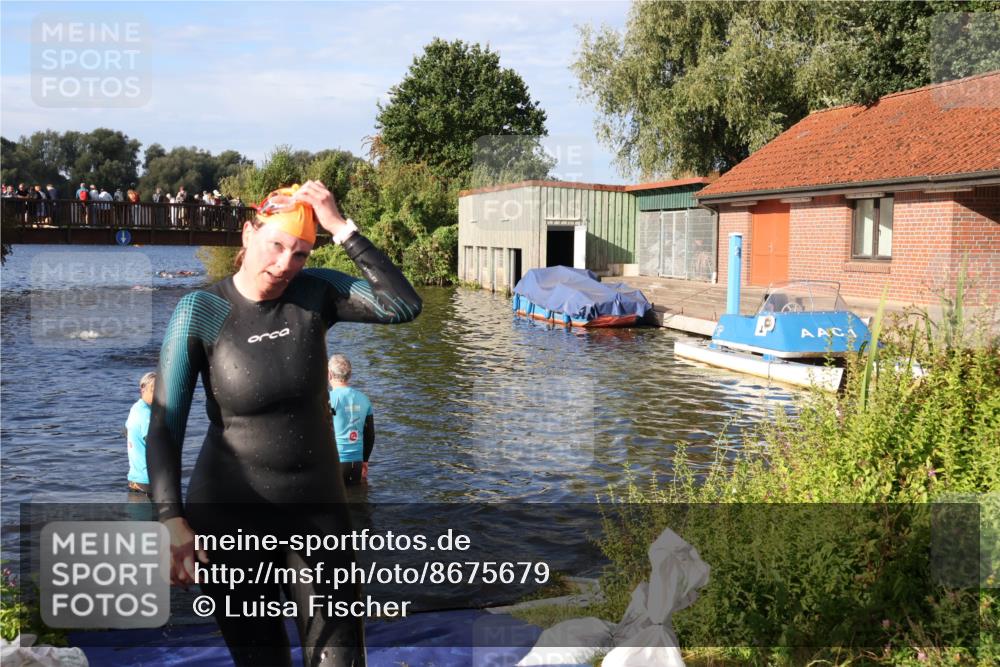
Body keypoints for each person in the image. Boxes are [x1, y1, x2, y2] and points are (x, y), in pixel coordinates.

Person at [147, 180, 421, 666]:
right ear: (248, 233)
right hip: (230, 521)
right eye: (276, 245)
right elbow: (165, 426)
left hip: (318, 515)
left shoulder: (314, 293)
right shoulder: (201, 311)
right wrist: (171, 519)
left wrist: (340, 227)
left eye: (300, 253)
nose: (285, 265)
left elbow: (402, 306)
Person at [327, 355, 374, 486]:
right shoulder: (364, 399)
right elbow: (370, 434)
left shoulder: (327, 399)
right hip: (357, 463)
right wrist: (365, 461)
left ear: (329, 374)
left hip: (334, 463)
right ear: (350, 374)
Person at [125, 372, 156, 496]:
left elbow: (127, 431)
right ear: (142, 389)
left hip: (134, 478)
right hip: (147, 480)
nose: (157, 395)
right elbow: (155, 446)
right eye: (153, 390)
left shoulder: (135, 408)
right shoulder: (146, 416)